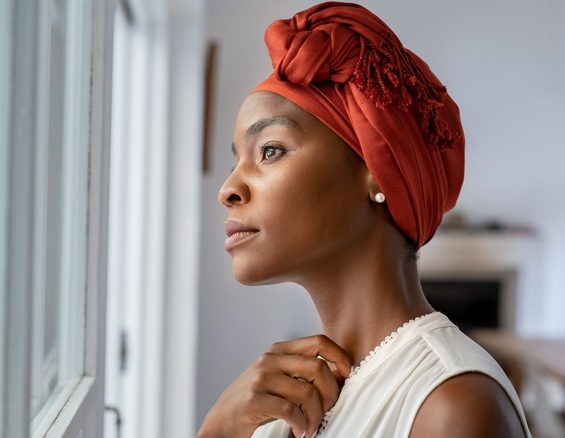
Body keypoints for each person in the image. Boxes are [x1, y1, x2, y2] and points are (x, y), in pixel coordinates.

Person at [197, 2, 531, 437]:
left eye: (270, 150)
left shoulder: (450, 406)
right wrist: (220, 427)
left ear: (378, 169)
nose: (228, 190)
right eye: (235, 161)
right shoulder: (278, 399)